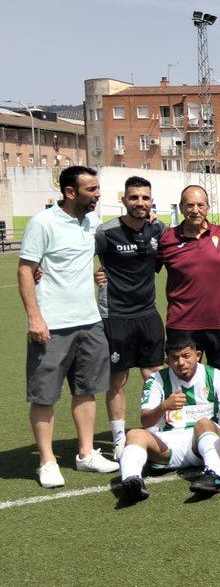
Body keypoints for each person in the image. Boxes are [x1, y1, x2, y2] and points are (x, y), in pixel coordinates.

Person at [19, 165, 118, 487]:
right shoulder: (42, 223)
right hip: (52, 325)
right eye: (92, 190)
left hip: (90, 322)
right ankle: (47, 461)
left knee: (86, 390)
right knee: (44, 395)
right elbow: (25, 271)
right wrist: (35, 317)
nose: (98, 195)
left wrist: (97, 276)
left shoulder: (92, 223)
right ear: (70, 192)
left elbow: (86, 263)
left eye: (98, 189)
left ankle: (86, 453)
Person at [114, 333, 220, 503]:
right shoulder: (156, 380)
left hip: (202, 441)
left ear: (198, 355)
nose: (181, 363)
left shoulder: (215, 376)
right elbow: (146, 421)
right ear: (167, 361)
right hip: (168, 446)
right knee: (134, 434)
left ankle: (213, 476)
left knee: (203, 423)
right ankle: (132, 481)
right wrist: (164, 406)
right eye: (175, 358)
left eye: (186, 356)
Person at [94, 175, 165, 457]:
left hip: (148, 313)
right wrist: (97, 276)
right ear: (124, 200)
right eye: (134, 197)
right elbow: (78, 256)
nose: (139, 203)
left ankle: (158, 428)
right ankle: (119, 438)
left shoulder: (159, 229)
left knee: (154, 375)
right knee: (118, 379)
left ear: (151, 201)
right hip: (116, 315)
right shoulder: (106, 232)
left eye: (145, 198)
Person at [158, 185, 220, 371]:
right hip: (182, 323)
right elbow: (144, 268)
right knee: (183, 380)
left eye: (200, 205)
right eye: (190, 205)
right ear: (181, 207)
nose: (195, 210)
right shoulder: (167, 239)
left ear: (208, 208)